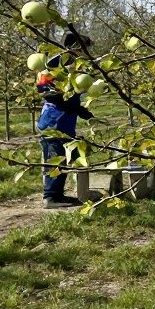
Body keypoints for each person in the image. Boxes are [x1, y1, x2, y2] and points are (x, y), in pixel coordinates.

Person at [37, 29, 94, 209]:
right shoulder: (53, 64)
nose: (86, 53)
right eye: (84, 48)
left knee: (64, 157)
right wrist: (74, 107)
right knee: (55, 157)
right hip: (54, 120)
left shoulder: (73, 65)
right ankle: (50, 197)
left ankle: (58, 194)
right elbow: (46, 92)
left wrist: (79, 108)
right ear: (75, 47)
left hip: (65, 120)